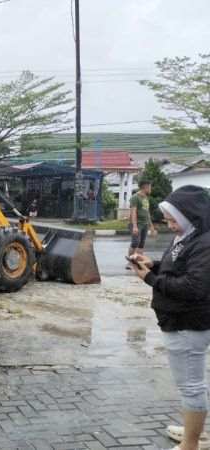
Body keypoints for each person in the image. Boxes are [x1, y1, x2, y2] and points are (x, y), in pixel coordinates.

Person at [129, 185, 210, 450]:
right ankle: (193, 431)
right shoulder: (191, 236)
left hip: (188, 323)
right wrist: (154, 264)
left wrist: (150, 278)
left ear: (191, 216)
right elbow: (178, 266)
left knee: (191, 386)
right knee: (190, 384)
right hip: (179, 321)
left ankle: (191, 444)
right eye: (168, 220)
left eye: (174, 220)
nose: (170, 225)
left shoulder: (204, 242)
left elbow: (193, 287)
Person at [126, 179, 157, 269]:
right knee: (135, 242)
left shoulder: (145, 198)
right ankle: (130, 263)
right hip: (137, 224)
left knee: (141, 244)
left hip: (145, 223)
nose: (151, 189)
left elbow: (147, 212)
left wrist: (151, 226)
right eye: (150, 187)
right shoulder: (135, 197)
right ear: (145, 187)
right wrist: (135, 226)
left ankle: (139, 263)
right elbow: (133, 212)